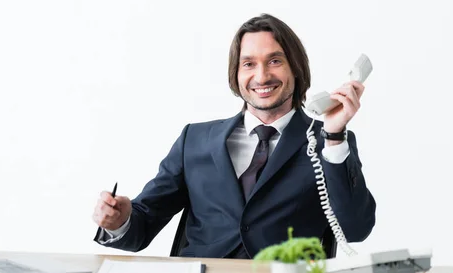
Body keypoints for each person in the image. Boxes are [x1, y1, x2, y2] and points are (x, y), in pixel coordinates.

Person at [92, 13, 376, 259]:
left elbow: (355, 228)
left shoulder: (327, 141)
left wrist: (335, 134)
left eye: (275, 61)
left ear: (296, 68)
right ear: (236, 73)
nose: (262, 76)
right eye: (249, 64)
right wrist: (118, 220)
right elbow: (141, 227)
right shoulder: (194, 139)